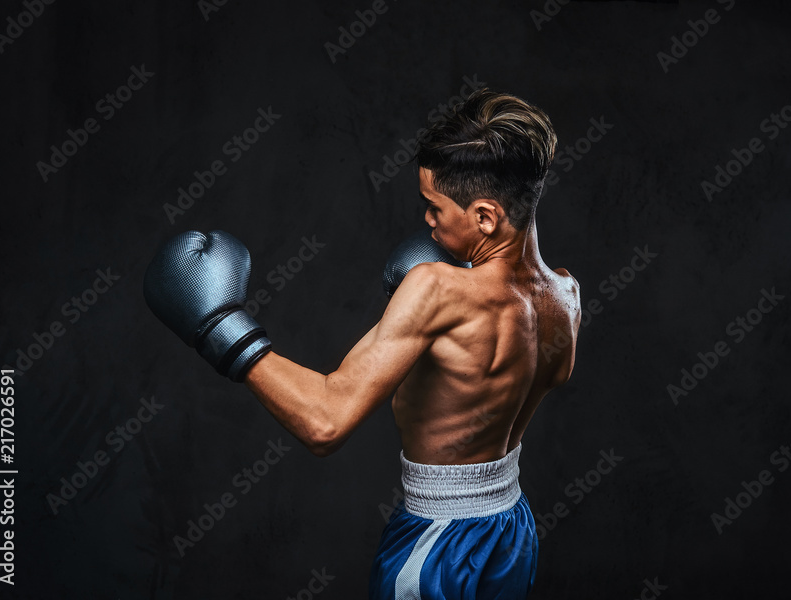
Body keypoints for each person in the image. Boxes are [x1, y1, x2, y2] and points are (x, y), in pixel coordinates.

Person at [143, 88, 581, 599]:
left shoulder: (437, 289)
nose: (427, 221)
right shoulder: (566, 294)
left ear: (485, 217)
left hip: (438, 544)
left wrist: (221, 326)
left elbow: (325, 422)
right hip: (511, 529)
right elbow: (487, 381)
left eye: (434, 206)